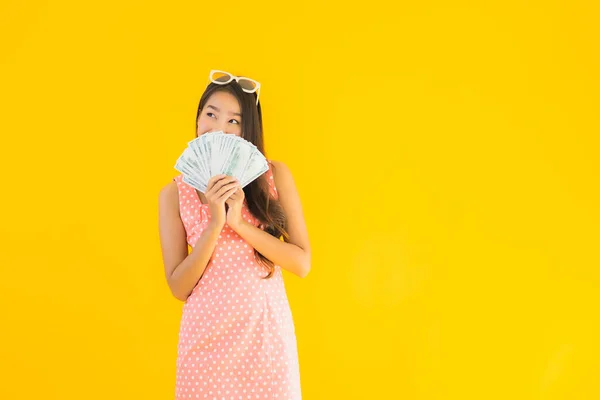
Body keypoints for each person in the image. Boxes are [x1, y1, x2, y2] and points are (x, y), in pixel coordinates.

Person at [158, 70, 311, 400]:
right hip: (206, 345)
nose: (219, 128)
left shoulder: (274, 176)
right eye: (211, 115)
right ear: (198, 118)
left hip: (266, 341)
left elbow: (301, 263)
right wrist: (214, 225)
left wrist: (239, 223)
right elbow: (178, 286)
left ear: (248, 130)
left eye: (234, 121)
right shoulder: (174, 194)